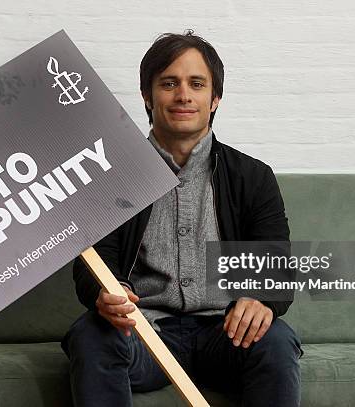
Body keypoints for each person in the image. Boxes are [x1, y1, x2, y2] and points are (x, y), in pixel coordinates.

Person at [61, 30, 303, 407]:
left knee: (276, 340)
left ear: (215, 98)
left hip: (227, 334)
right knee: (91, 334)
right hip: (143, 332)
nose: (183, 95)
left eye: (197, 84)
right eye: (169, 83)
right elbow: (93, 264)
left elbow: (275, 263)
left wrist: (260, 299)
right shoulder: (112, 175)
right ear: (147, 95)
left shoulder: (253, 177)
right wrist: (106, 293)